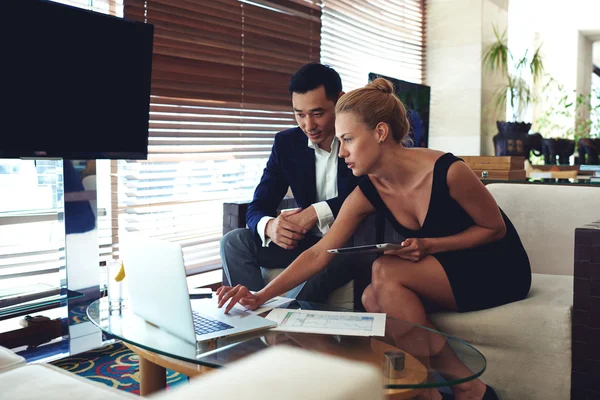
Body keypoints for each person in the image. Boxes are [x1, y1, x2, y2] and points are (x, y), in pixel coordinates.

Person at [217, 78, 532, 400]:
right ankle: (463, 388)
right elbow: (320, 253)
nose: (342, 153)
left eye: (349, 140)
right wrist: (262, 296)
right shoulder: (368, 190)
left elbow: (495, 230)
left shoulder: (450, 171)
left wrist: (431, 245)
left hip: (497, 268)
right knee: (372, 297)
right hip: (444, 268)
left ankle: (435, 393)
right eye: (340, 141)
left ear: (380, 132)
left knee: (385, 270)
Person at [219, 63, 362, 303]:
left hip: (347, 245)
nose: (308, 125)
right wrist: (270, 226)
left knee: (322, 265)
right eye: (299, 114)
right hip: (302, 242)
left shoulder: (359, 138)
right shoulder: (286, 144)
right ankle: (252, 312)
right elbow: (258, 206)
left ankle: (274, 316)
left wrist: (315, 212)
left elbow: (368, 193)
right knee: (233, 242)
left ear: (340, 100)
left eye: (317, 113)